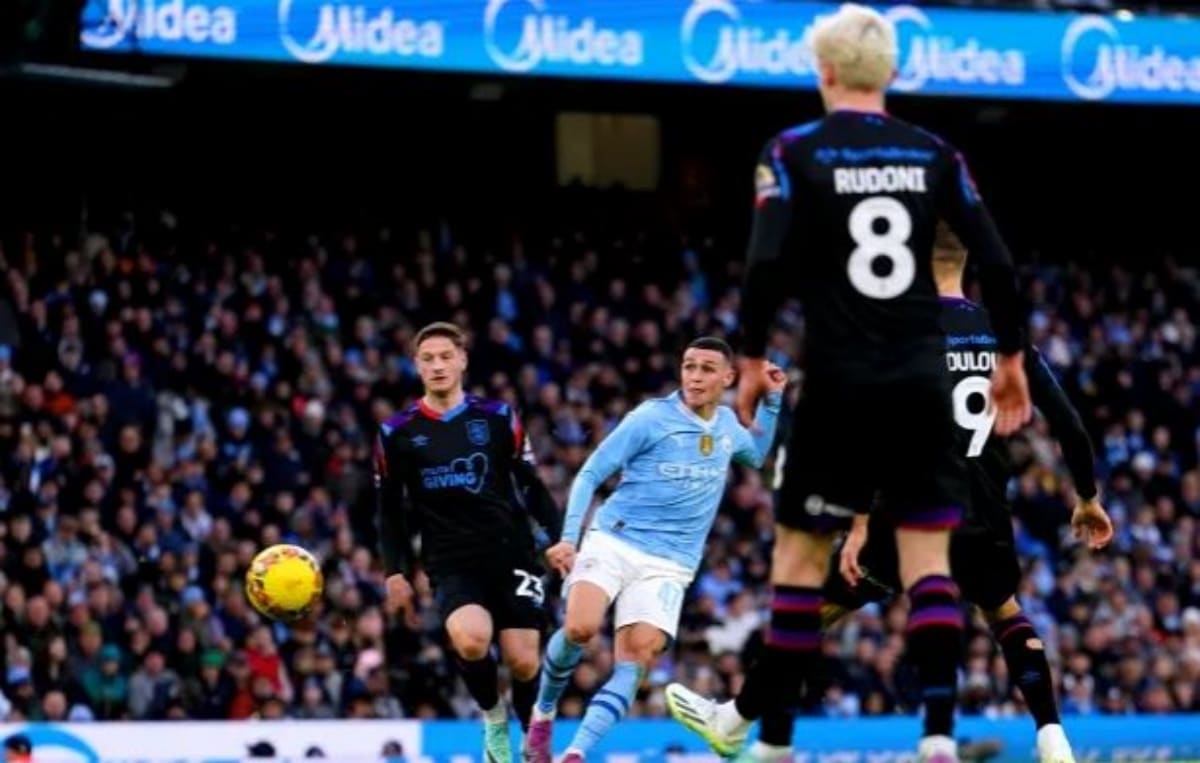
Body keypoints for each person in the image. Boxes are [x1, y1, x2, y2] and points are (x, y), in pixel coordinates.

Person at [664, 5, 1033, 762]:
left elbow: (763, 266)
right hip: (919, 382)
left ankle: (772, 746)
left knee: (800, 565)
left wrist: (751, 354)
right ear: (890, 74)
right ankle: (936, 734)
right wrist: (1012, 356)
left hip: (836, 381)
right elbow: (997, 259)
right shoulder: (937, 152)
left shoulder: (792, 148)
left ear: (823, 73)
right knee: (930, 563)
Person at [750, 223, 1115, 763]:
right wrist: (1086, 497)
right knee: (1005, 614)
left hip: (909, 507)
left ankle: (749, 722)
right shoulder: (1005, 336)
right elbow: (1071, 428)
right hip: (985, 510)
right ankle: (1052, 734)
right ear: (965, 263)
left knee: (817, 607)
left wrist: (857, 518)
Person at [523, 337, 785, 763]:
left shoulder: (726, 426)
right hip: (614, 539)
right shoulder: (649, 418)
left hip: (670, 564)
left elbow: (755, 455)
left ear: (728, 377)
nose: (695, 377)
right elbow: (591, 473)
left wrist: (772, 403)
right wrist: (569, 537)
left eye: (705, 369)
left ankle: (576, 753)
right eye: (688, 366)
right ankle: (543, 713)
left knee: (637, 659)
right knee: (580, 629)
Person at [376, 321, 564, 763]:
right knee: (471, 640)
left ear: (462, 360)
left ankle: (529, 737)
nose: (438, 365)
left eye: (446, 357)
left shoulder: (498, 417)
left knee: (522, 661)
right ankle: (493, 716)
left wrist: (558, 540)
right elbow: (389, 509)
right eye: (428, 359)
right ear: (416, 366)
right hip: (451, 558)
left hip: (512, 551)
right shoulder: (396, 432)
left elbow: (532, 486)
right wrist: (394, 570)